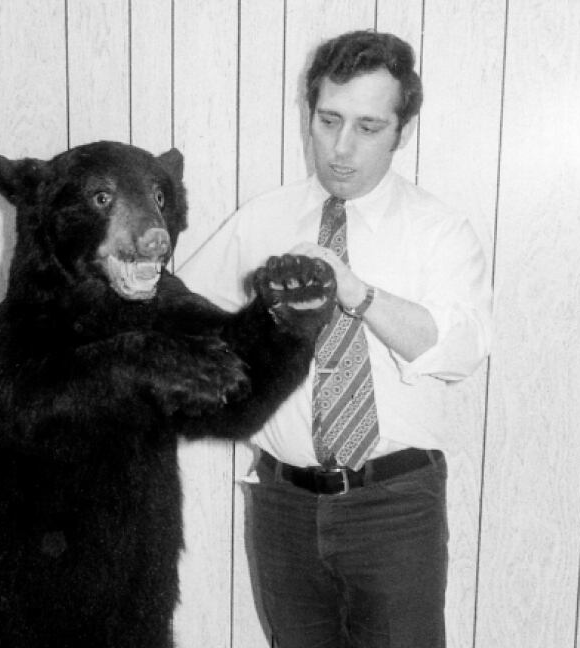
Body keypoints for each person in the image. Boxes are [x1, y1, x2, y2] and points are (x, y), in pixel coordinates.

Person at [177, 30, 492, 648]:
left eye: (369, 127)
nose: (341, 148)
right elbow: (186, 321)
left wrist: (358, 293)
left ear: (403, 130)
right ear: (309, 112)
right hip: (282, 506)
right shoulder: (262, 220)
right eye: (329, 120)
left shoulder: (438, 230)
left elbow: (461, 351)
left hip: (395, 505)